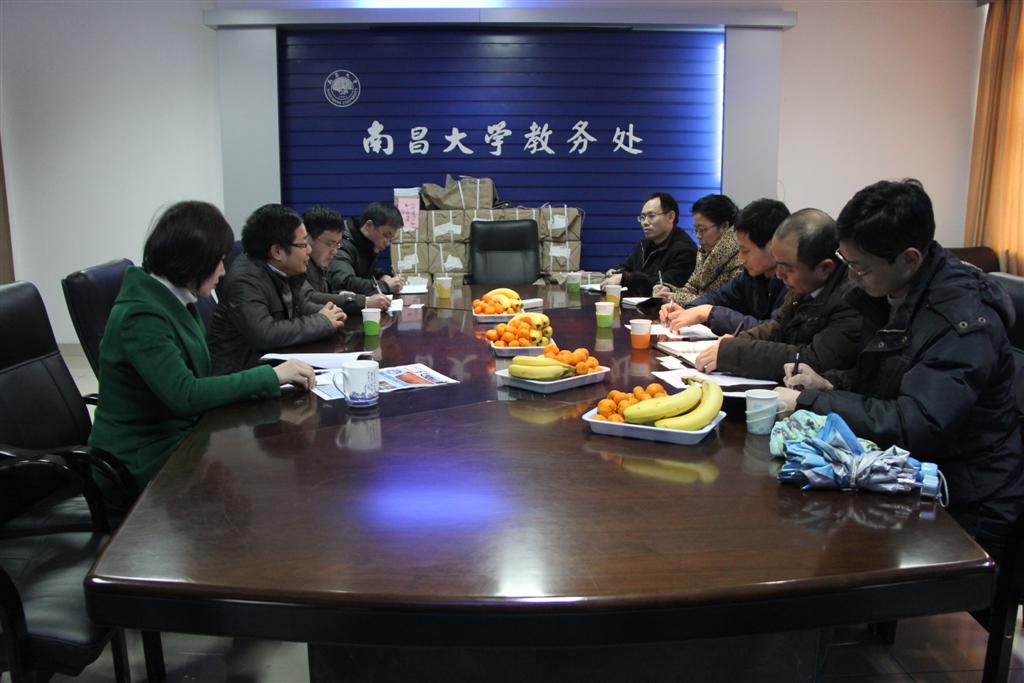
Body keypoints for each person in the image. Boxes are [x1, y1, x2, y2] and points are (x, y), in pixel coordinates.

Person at [777, 179, 1024, 557]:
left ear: (909, 259)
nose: (851, 278)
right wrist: (828, 384)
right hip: (910, 474)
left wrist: (811, 401)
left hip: (964, 500)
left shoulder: (962, 322)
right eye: (847, 262)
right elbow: (884, 377)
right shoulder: (892, 292)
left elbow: (916, 423)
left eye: (859, 268)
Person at [88, 201, 316, 490]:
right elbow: (185, 394)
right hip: (143, 459)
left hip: (186, 437)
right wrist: (272, 376)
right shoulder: (141, 315)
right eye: (218, 261)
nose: (223, 271)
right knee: (266, 482)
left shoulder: (175, 299)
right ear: (193, 262)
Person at [692, 209, 862, 381]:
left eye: (787, 268)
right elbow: (777, 328)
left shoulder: (852, 299)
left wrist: (735, 352)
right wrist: (734, 342)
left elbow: (815, 360)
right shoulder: (803, 287)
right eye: (777, 263)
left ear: (825, 268)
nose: (779, 274)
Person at [208, 204, 346, 374]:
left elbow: (299, 307)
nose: (309, 250)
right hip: (241, 375)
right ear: (277, 251)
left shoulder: (283, 269)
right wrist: (322, 322)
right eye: (303, 244)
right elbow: (265, 334)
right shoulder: (244, 281)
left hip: (270, 365)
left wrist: (328, 314)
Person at [661, 198, 790, 335]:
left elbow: (772, 331)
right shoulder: (752, 276)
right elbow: (719, 297)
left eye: (745, 250)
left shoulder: (793, 282)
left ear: (772, 247)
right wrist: (687, 310)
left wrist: (709, 313)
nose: (741, 258)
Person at [600, 192, 698, 297]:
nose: (645, 222)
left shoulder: (685, 250)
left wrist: (625, 278)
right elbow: (628, 267)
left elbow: (663, 284)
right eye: (642, 217)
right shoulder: (644, 244)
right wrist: (617, 273)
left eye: (651, 216)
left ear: (670, 217)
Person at [652, 194, 743, 306]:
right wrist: (669, 291)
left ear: (724, 226)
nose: (698, 236)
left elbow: (725, 303)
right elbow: (691, 288)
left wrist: (676, 298)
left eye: (702, 229)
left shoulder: (741, 257)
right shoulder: (704, 251)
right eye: (695, 230)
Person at [302, 206, 390, 313]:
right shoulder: (298, 265)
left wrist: (340, 295)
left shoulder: (319, 263)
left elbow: (323, 294)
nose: (334, 251)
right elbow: (309, 297)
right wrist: (364, 302)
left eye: (337, 245)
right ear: (307, 239)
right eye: (329, 244)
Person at [328, 201, 406, 296]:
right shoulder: (342, 244)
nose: (387, 243)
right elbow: (343, 282)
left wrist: (383, 276)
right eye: (386, 235)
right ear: (369, 225)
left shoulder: (366, 243)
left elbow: (367, 271)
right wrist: (385, 286)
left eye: (391, 239)